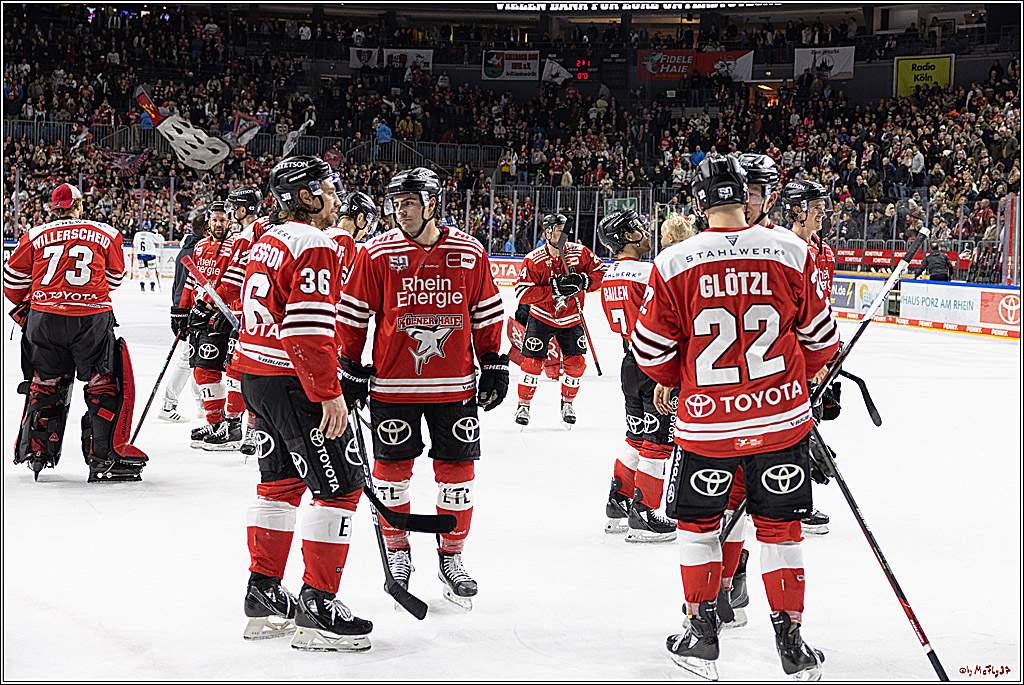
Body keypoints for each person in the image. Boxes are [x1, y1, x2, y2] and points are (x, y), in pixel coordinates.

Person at [632, 155, 839, 680]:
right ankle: (791, 642)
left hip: (706, 427)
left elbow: (650, 352)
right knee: (781, 529)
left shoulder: (675, 261)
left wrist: (680, 381)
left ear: (699, 202)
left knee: (699, 527)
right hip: (781, 421)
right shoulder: (793, 251)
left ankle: (701, 635)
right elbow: (822, 340)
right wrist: (800, 384)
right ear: (749, 195)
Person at [337, 167, 508, 611]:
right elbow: (353, 314)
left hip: (455, 388)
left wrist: (493, 362)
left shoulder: (469, 253)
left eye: (409, 202)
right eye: (396, 204)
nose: (400, 211)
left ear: (433, 203)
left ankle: (452, 557)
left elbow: (487, 312)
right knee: (392, 477)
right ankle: (398, 554)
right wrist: (350, 367)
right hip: (393, 386)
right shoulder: (376, 253)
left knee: (458, 480)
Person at [234, 155, 373, 651]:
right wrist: (328, 394)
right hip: (296, 382)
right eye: (330, 190)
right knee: (339, 490)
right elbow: (307, 328)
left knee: (280, 484)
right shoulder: (313, 241)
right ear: (309, 197)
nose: (337, 199)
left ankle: (264, 593)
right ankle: (317, 606)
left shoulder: (267, 239)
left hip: (258, 378)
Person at [4, 182, 148, 482]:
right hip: (91, 319)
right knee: (103, 383)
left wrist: (40, 301)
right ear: (79, 206)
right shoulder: (105, 233)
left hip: (44, 319)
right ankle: (103, 457)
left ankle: (36, 449)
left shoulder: (35, 234)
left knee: (45, 382)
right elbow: (116, 279)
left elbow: (12, 282)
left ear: (53, 208)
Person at [599, 209, 694, 543]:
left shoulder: (610, 276)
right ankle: (645, 513)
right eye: (638, 227)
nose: (645, 230)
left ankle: (618, 501)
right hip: (656, 362)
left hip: (629, 361)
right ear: (627, 236)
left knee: (636, 437)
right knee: (658, 442)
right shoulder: (649, 271)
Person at [779, 178, 838, 536]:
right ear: (797, 210)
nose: (823, 213)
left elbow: (822, 307)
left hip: (815, 359)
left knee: (810, 423)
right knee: (791, 430)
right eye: (815, 206)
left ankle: (799, 498)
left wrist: (830, 353)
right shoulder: (783, 249)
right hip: (789, 361)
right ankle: (792, 503)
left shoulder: (824, 251)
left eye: (823, 206)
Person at [513, 213, 606, 427]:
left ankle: (567, 403)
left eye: (566, 229)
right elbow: (522, 293)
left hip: (572, 317)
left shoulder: (579, 252)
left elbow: (602, 271)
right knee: (532, 363)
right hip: (542, 317)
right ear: (547, 232)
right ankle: (524, 405)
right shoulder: (534, 259)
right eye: (558, 229)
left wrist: (585, 281)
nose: (564, 234)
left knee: (576, 364)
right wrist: (553, 290)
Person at [171, 201, 246, 450]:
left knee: (235, 372)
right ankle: (215, 423)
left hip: (228, 316)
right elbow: (191, 284)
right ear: (208, 222)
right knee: (202, 370)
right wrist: (181, 312)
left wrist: (210, 306)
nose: (218, 224)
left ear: (230, 222)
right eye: (214, 219)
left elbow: (235, 282)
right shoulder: (201, 246)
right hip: (202, 318)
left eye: (223, 220)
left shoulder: (237, 245)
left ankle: (233, 424)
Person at [223, 185, 266, 456]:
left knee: (240, 371)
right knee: (251, 371)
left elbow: (230, 284)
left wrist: (205, 306)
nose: (230, 213)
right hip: (263, 313)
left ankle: (246, 428)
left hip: (245, 316)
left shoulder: (245, 236)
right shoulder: (267, 230)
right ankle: (251, 428)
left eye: (233, 207)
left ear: (242, 209)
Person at [161, 205, 207, 424]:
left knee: (196, 358)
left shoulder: (186, 249)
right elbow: (184, 287)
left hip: (186, 310)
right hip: (189, 312)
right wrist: (180, 313)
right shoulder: (197, 250)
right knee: (188, 360)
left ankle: (201, 404)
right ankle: (168, 405)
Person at [131, 227, 165, 292]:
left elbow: (135, 244)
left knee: (141, 271)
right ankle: (152, 286)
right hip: (150, 255)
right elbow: (161, 240)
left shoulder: (137, 234)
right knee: (151, 272)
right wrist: (157, 233)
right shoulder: (151, 234)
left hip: (140, 254)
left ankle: (142, 286)